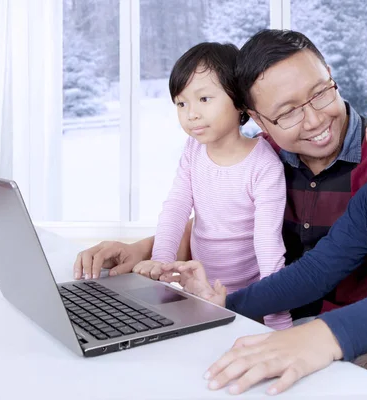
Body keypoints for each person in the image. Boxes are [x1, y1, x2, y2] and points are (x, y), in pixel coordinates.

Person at [73, 30, 367, 397]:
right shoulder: (268, 161)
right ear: (259, 122)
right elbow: (304, 265)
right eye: (286, 112)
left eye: (323, 93)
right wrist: (199, 289)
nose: (318, 118)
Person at [73, 42, 292, 330]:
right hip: (194, 291)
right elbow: (176, 207)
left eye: (204, 99)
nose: (191, 114)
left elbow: (269, 247)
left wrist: (278, 322)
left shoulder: (264, 165)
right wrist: (161, 263)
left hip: (244, 301)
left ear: (239, 100)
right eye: (181, 103)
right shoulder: (194, 150)